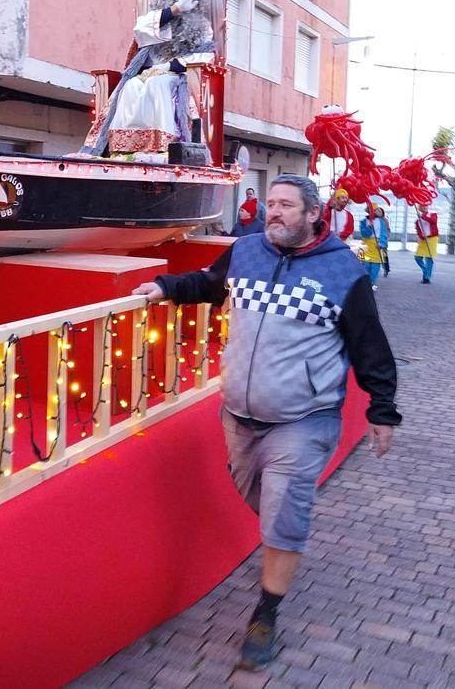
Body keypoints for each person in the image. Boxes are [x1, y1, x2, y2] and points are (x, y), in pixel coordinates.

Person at [133, 174, 400, 671]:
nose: (272, 212)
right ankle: (285, 536)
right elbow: (209, 285)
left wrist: (382, 409)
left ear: (314, 213)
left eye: (284, 206)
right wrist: (165, 287)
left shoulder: (344, 271)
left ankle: (266, 612)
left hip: (305, 419)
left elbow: (371, 346)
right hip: (238, 414)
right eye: (270, 204)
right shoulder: (247, 250)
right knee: (258, 498)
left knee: (282, 513)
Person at [81, 0, 211, 157]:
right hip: (146, 73)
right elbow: (141, 30)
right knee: (131, 86)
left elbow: (205, 56)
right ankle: (126, 145)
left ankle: (163, 145)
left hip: (176, 77)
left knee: (157, 85)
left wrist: (168, 67)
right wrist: (176, 9)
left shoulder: (202, 27)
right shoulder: (156, 20)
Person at [358, 204, 388, 287]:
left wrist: (382, 243)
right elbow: (364, 234)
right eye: (376, 209)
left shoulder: (382, 222)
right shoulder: (363, 221)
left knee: (375, 267)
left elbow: (384, 234)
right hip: (366, 246)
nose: (379, 211)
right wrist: (369, 227)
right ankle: (366, 283)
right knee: (365, 265)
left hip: (377, 246)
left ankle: (372, 283)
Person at [413, 204, 439, 283]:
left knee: (429, 258)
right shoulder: (418, 220)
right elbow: (418, 230)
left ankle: (427, 277)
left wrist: (423, 216)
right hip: (423, 239)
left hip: (432, 238)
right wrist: (421, 235)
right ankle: (425, 271)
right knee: (417, 257)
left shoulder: (432, 215)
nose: (424, 208)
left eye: (425, 206)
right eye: (422, 207)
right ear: (420, 209)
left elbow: (433, 221)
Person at [376, 205, 391, 276]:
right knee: (377, 255)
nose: (379, 212)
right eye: (378, 211)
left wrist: (386, 239)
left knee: (384, 255)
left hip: (383, 239)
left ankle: (386, 269)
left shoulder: (385, 220)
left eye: (380, 211)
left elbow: (388, 230)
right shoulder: (374, 220)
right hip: (376, 240)